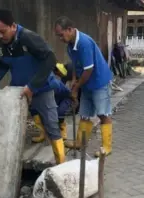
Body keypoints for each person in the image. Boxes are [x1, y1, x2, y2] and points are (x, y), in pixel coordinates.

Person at [0, 9, 65, 164]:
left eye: (3, 32)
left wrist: (32, 86)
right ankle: (9, 166)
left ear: (13, 26)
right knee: (12, 126)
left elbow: (50, 60)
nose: (0, 36)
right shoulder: (0, 44)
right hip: (19, 91)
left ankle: (61, 165)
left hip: (41, 89)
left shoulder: (28, 38)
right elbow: (2, 65)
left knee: (51, 126)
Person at [54, 16, 113, 157]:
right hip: (85, 82)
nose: (60, 39)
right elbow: (75, 64)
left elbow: (89, 69)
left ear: (69, 29)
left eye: (61, 35)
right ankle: (80, 142)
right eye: (58, 36)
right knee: (85, 113)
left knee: (102, 113)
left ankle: (107, 147)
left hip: (98, 81)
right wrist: (74, 80)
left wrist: (76, 87)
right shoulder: (70, 45)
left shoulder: (84, 43)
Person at [30, 77, 72, 142]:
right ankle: (43, 132)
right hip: (49, 100)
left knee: (59, 112)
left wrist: (74, 100)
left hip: (63, 99)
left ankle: (62, 129)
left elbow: (69, 94)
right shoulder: (38, 86)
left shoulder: (56, 84)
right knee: (33, 110)